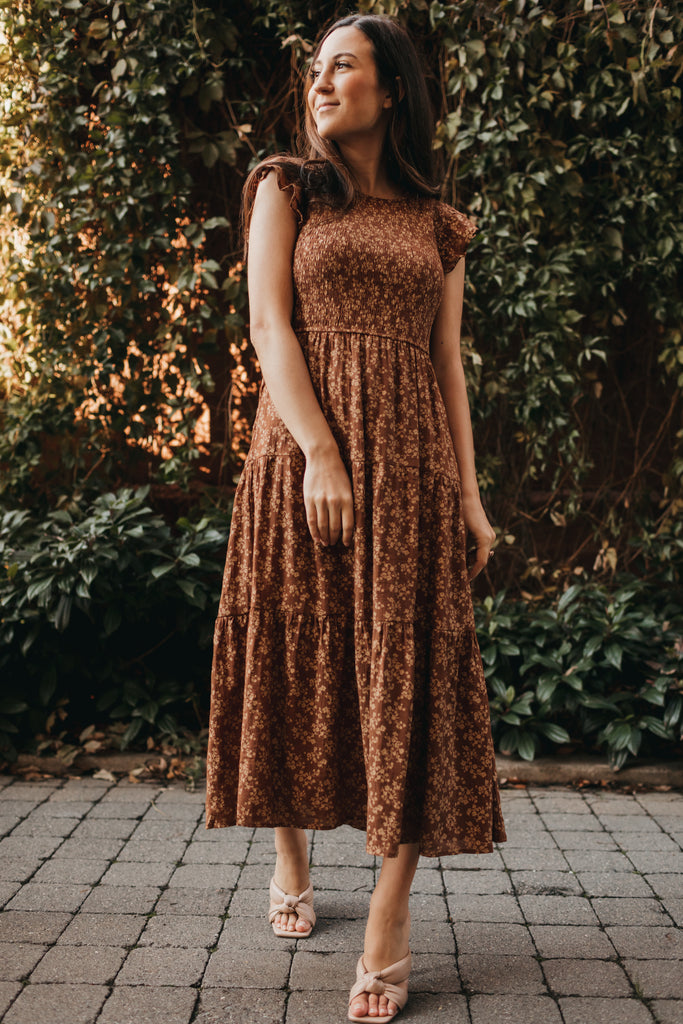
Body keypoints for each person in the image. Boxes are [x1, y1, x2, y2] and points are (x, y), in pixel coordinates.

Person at [206, 12, 507, 1022]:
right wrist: (321, 452)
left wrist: (467, 498)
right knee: (298, 655)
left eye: (345, 67)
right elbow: (266, 324)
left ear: (391, 91)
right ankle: (289, 853)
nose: (323, 82)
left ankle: (387, 913)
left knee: (407, 673)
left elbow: (445, 366)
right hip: (300, 457)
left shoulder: (437, 222)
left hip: (412, 465)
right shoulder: (284, 187)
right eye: (317, 69)